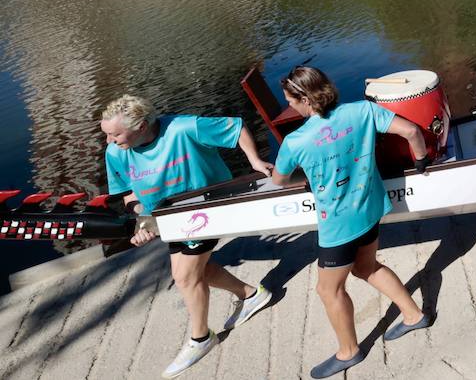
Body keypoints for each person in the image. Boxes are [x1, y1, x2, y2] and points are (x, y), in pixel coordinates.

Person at [271, 67, 431, 378]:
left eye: (290, 100)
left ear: (305, 98)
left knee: (328, 290)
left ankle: (349, 352)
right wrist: (421, 160)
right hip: (370, 208)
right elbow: (412, 131)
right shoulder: (363, 110)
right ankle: (414, 315)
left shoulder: (296, 141)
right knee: (366, 267)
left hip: (339, 227)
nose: (289, 106)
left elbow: (279, 180)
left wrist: (308, 180)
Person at [101, 96, 274, 379]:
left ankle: (200, 338)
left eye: (115, 134)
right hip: (167, 217)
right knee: (197, 271)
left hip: (207, 205)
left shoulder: (184, 128)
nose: (109, 140)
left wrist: (255, 161)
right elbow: (129, 194)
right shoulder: (116, 152)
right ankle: (251, 295)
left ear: (142, 126)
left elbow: (237, 128)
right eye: (106, 133)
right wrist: (142, 222)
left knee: (184, 277)